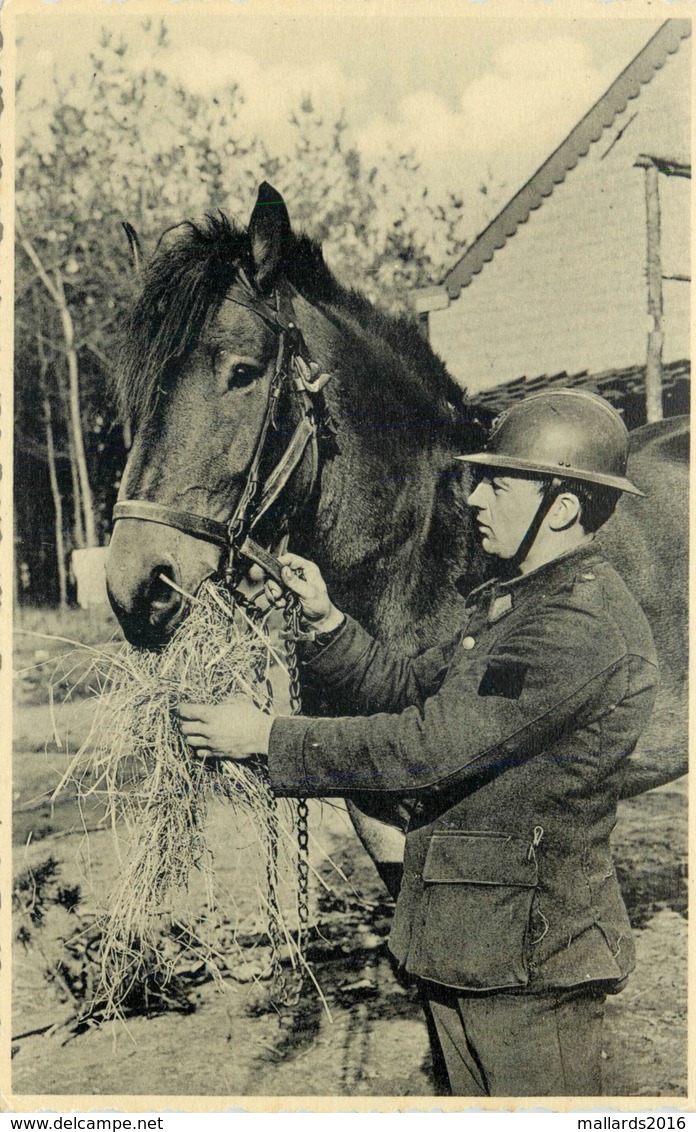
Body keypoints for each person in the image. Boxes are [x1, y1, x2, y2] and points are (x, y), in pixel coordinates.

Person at [178, 389, 658, 1097]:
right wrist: (327, 622)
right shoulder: (516, 602)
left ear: (561, 508)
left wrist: (266, 738)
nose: (475, 500)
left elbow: (426, 747)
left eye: (499, 483)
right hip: (470, 945)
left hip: (530, 966)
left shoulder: (578, 627)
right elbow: (409, 687)